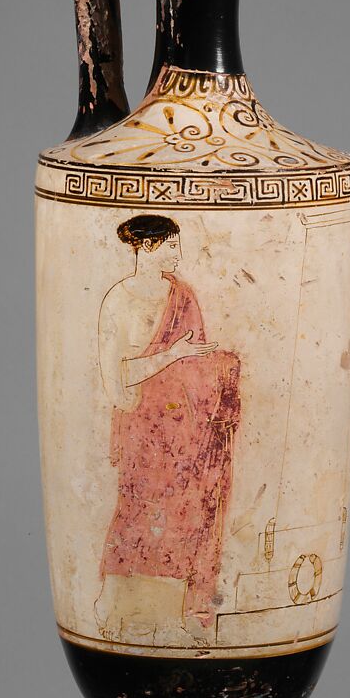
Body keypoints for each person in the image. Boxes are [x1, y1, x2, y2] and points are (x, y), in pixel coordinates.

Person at [95, 215, 241, 641]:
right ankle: (119, 610)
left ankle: (174, 616)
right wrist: (170, 356)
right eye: (172, 246)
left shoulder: (183, 295)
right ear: (148, 247)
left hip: (185, 433)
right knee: (136, 515)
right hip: (144, 430)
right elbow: (116, 381)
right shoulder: (118, 301)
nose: (179, 255)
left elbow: (196, 362)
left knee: (186, 518)